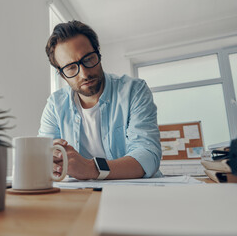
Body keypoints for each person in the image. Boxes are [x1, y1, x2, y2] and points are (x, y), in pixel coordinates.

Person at [38, 20, 162, 180]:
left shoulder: (134, 91)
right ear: (61, 73)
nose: (84, 74)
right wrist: (51, 159)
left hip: (134, 192)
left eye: (88, 59)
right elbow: (42, 155)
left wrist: (91, 169)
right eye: (71, 67)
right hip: (80, 195)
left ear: (98, 53)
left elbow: (147, 156)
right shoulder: (55, 106)